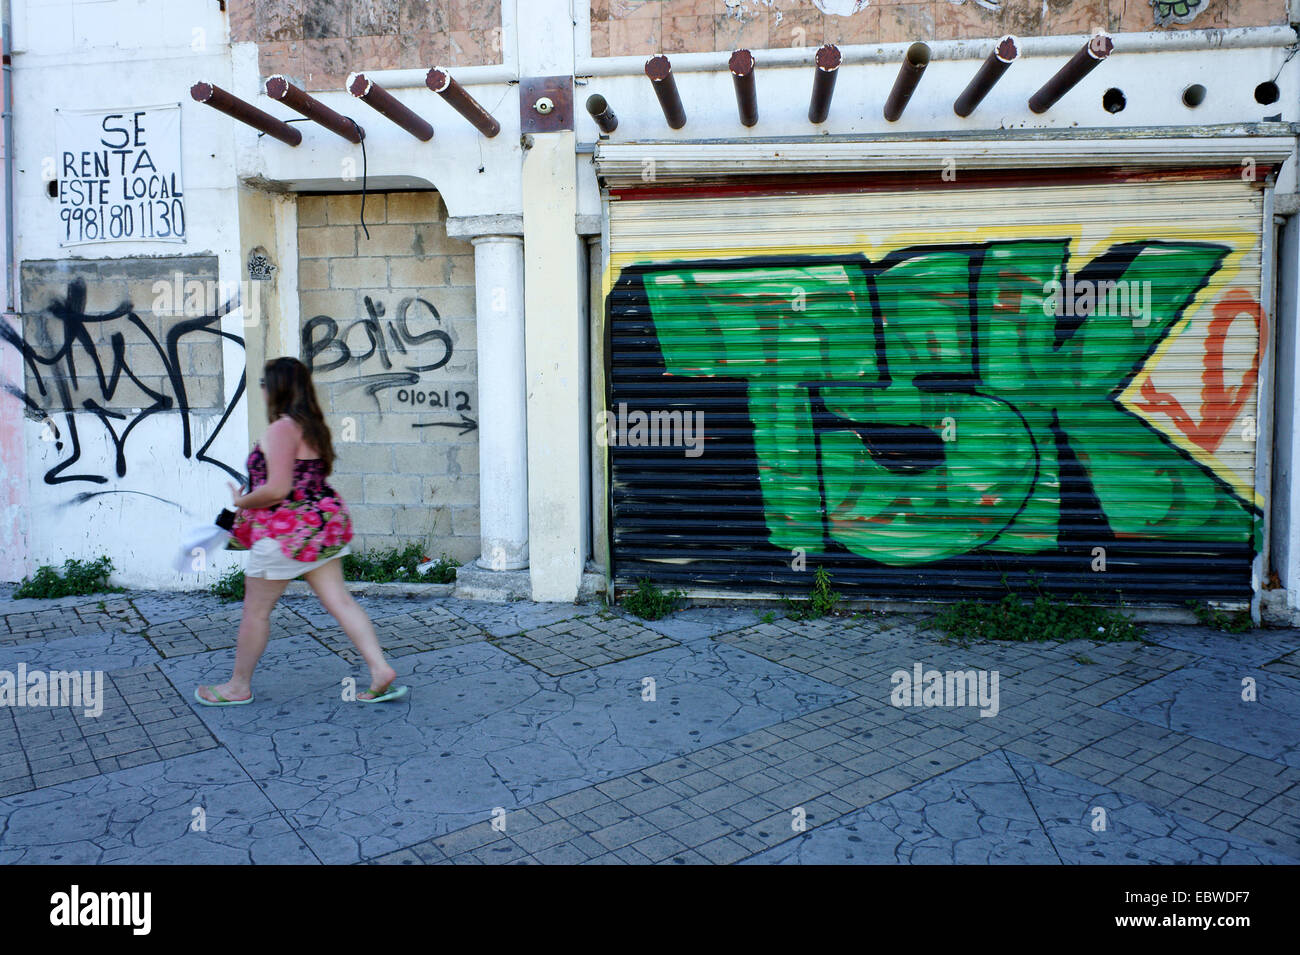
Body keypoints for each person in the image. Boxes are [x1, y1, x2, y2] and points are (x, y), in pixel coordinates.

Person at [195, 357, 407, 706]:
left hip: (284, 534)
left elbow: (278, 489)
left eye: (265, 382)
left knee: (256, 612)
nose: (261, 388)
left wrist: (244, 501)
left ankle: (237, 687)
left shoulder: (281, 429)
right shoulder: (313, 427)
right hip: (320, 527)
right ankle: (380, 668)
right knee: (340, 601)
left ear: (277, 388)